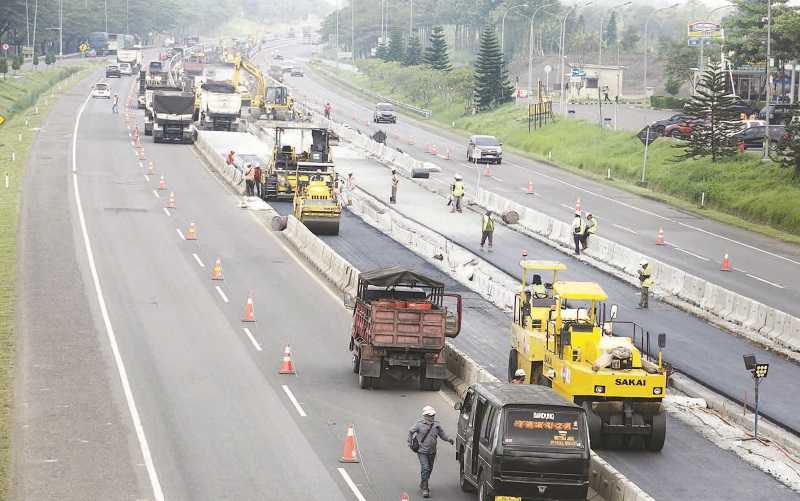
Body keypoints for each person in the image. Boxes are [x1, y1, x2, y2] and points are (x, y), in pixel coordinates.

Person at [408, 405, 454, 498]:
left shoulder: (436, 425)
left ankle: (423, 482)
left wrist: (449, 439)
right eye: (429, 415)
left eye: (433, 415)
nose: (431, 417)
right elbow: (410, 431)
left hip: (432, 452)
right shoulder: (419, 424)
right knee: (425, 468)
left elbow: (442, 434)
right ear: (425, 415)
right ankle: (425, 488)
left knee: (429, 469)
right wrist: (410, 442)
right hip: (422, 452)